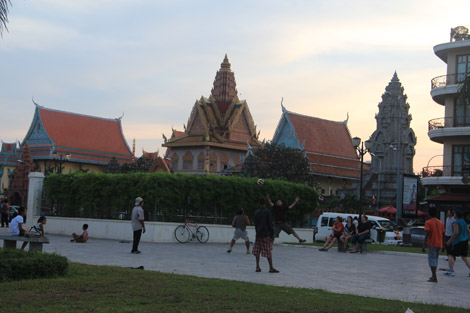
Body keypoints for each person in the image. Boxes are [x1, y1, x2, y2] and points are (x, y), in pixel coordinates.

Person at [252, 197, 278, 273]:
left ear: (259, 203)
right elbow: (270, 224)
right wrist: (272, 235)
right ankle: (271, 267)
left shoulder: (256, 212)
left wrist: (257, 232)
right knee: (268, 250)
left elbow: (256, 224)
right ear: (265, 203)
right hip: (265, 233)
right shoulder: (267, 212)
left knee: (257, 250)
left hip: (258, 234)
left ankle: (257, 266)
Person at [422, 207, 444, 283]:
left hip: (432, 243)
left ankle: (434, 277)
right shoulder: (440, 222)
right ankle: (433, 275)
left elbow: (427, 234)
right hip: (439, 243)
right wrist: (444, 245)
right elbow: (443, 234)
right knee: (435, 260)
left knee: (432, 260)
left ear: (429, 213)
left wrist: (424, 244)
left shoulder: (428, 222)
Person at [445, 210, 470, 277]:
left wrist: (450, 240)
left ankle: (451, 271)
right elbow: (468, 231)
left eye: (455, 214)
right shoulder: (464, 222)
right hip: (465, 241)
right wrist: (465, 237)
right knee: (464, 257)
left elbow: (456, 232)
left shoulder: (456, 222)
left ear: (456, 215)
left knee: (451, 254)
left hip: (458, 242)